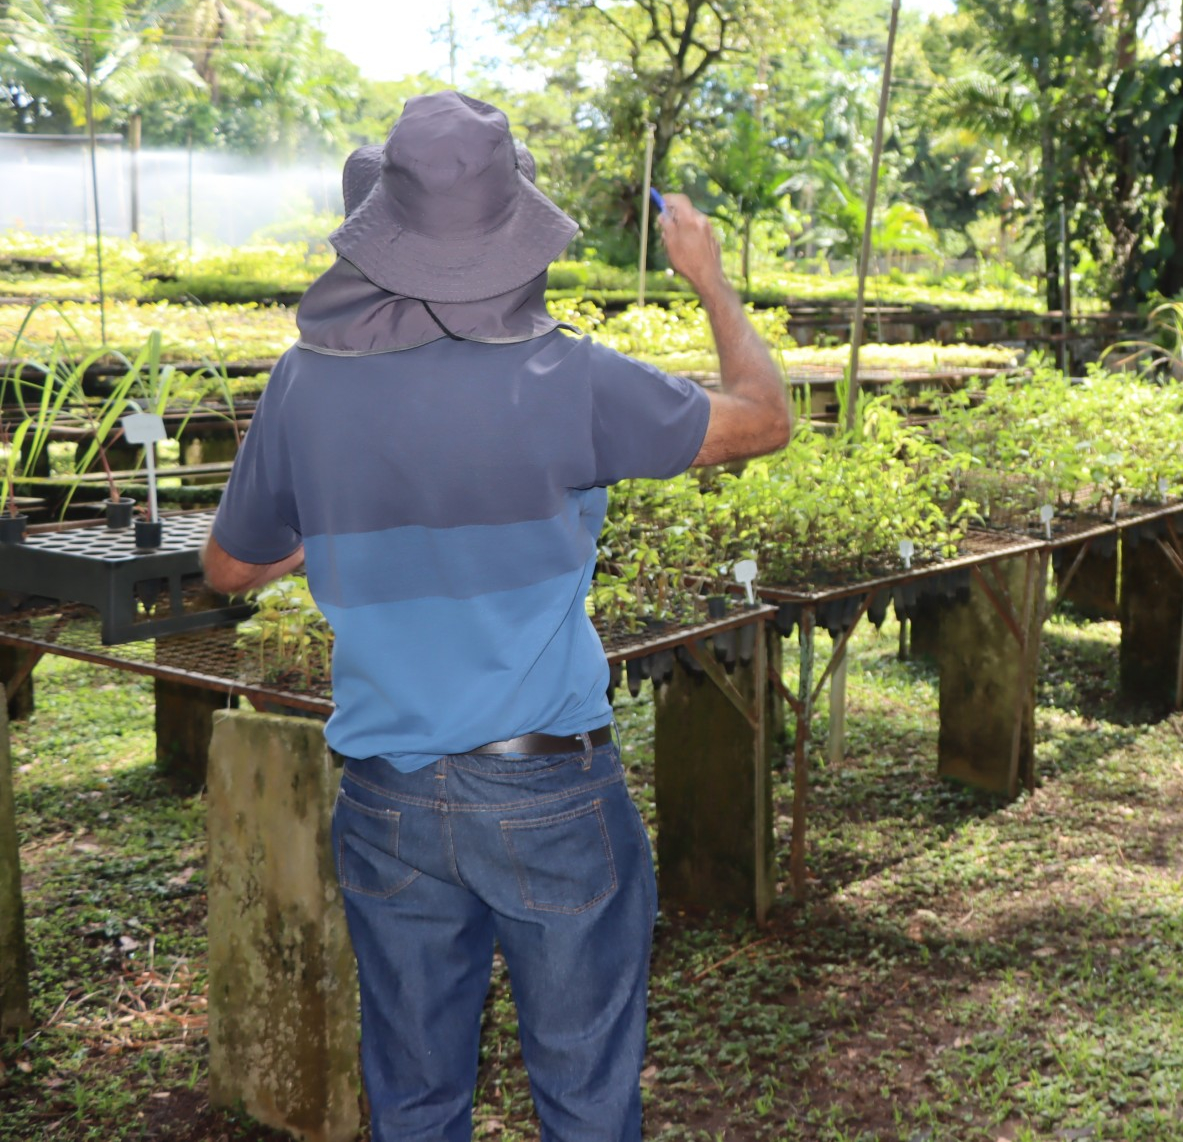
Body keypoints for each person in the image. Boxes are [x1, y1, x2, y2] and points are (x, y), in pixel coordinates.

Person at [202, 90, 790, 1140]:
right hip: (547, 790)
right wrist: (710, 279)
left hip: (385, 795)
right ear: (508, 235)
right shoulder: (567, 378)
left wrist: (344, 518)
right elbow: (765, 417)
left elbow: (228, 565)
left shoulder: (304, 382)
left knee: (416, 1100)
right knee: (583, 1096)